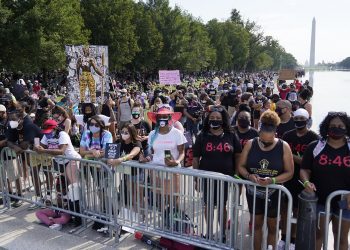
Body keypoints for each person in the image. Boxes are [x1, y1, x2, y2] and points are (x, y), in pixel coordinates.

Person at [237, 110, 294, 250]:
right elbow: (241, 166)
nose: (265, 141)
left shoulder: (283, 146)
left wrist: (272, 181)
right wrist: (249, 176)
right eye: (263, 138)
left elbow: (290, 172)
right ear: (259, 132)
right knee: (256, 224)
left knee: (273, 226)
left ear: (275, 132)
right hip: (254, 191)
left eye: (269, 140)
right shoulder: (251, 143)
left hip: (274, 193)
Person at [300, 112, 350, 250]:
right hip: (320, 200)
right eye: (333, 125)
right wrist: (306, 182)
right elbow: (304, 169)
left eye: (341, 126)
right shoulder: (315, 146)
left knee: (341, 237)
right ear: (326, 127)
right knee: (317, 236)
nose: (336, 128)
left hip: (345, 203)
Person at [192, 105, 242, 239]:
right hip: (207, 177)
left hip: (225, 178)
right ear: (208, 119)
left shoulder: (231, 134)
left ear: (223, 120)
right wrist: (196, 178)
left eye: (218, 118)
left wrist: (236, 175)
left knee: (222, 206)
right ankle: (209, 232)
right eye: (212, 117)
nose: (215, 120)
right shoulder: (202, 135)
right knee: (208, 205)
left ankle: (223, 233)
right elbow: (195, 158)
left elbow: (238, 156)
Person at [279, 108, 319, 249]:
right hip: (286, 177)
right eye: (296, 119)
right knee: (284, 209)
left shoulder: (314, 138)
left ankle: (293, 240)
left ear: (307, 121)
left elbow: (308, 163)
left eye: (302, 119)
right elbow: (280, 155)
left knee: (297, 210)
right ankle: (283, 237)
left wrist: (290, 157)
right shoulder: (287, 135)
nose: (298, 122)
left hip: (302, 179)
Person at [140, 104, 186, 198]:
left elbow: (182, 152)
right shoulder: (153, 134)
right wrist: (147, 158)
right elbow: (153, 153)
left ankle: (174, 212)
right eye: (160, 116)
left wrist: (176, 161)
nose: (162, 118)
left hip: (172, 170)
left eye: (165, 116)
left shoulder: (177, 133)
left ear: (170, 118)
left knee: (173, 197)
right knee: (159, 199)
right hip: (156, 170)